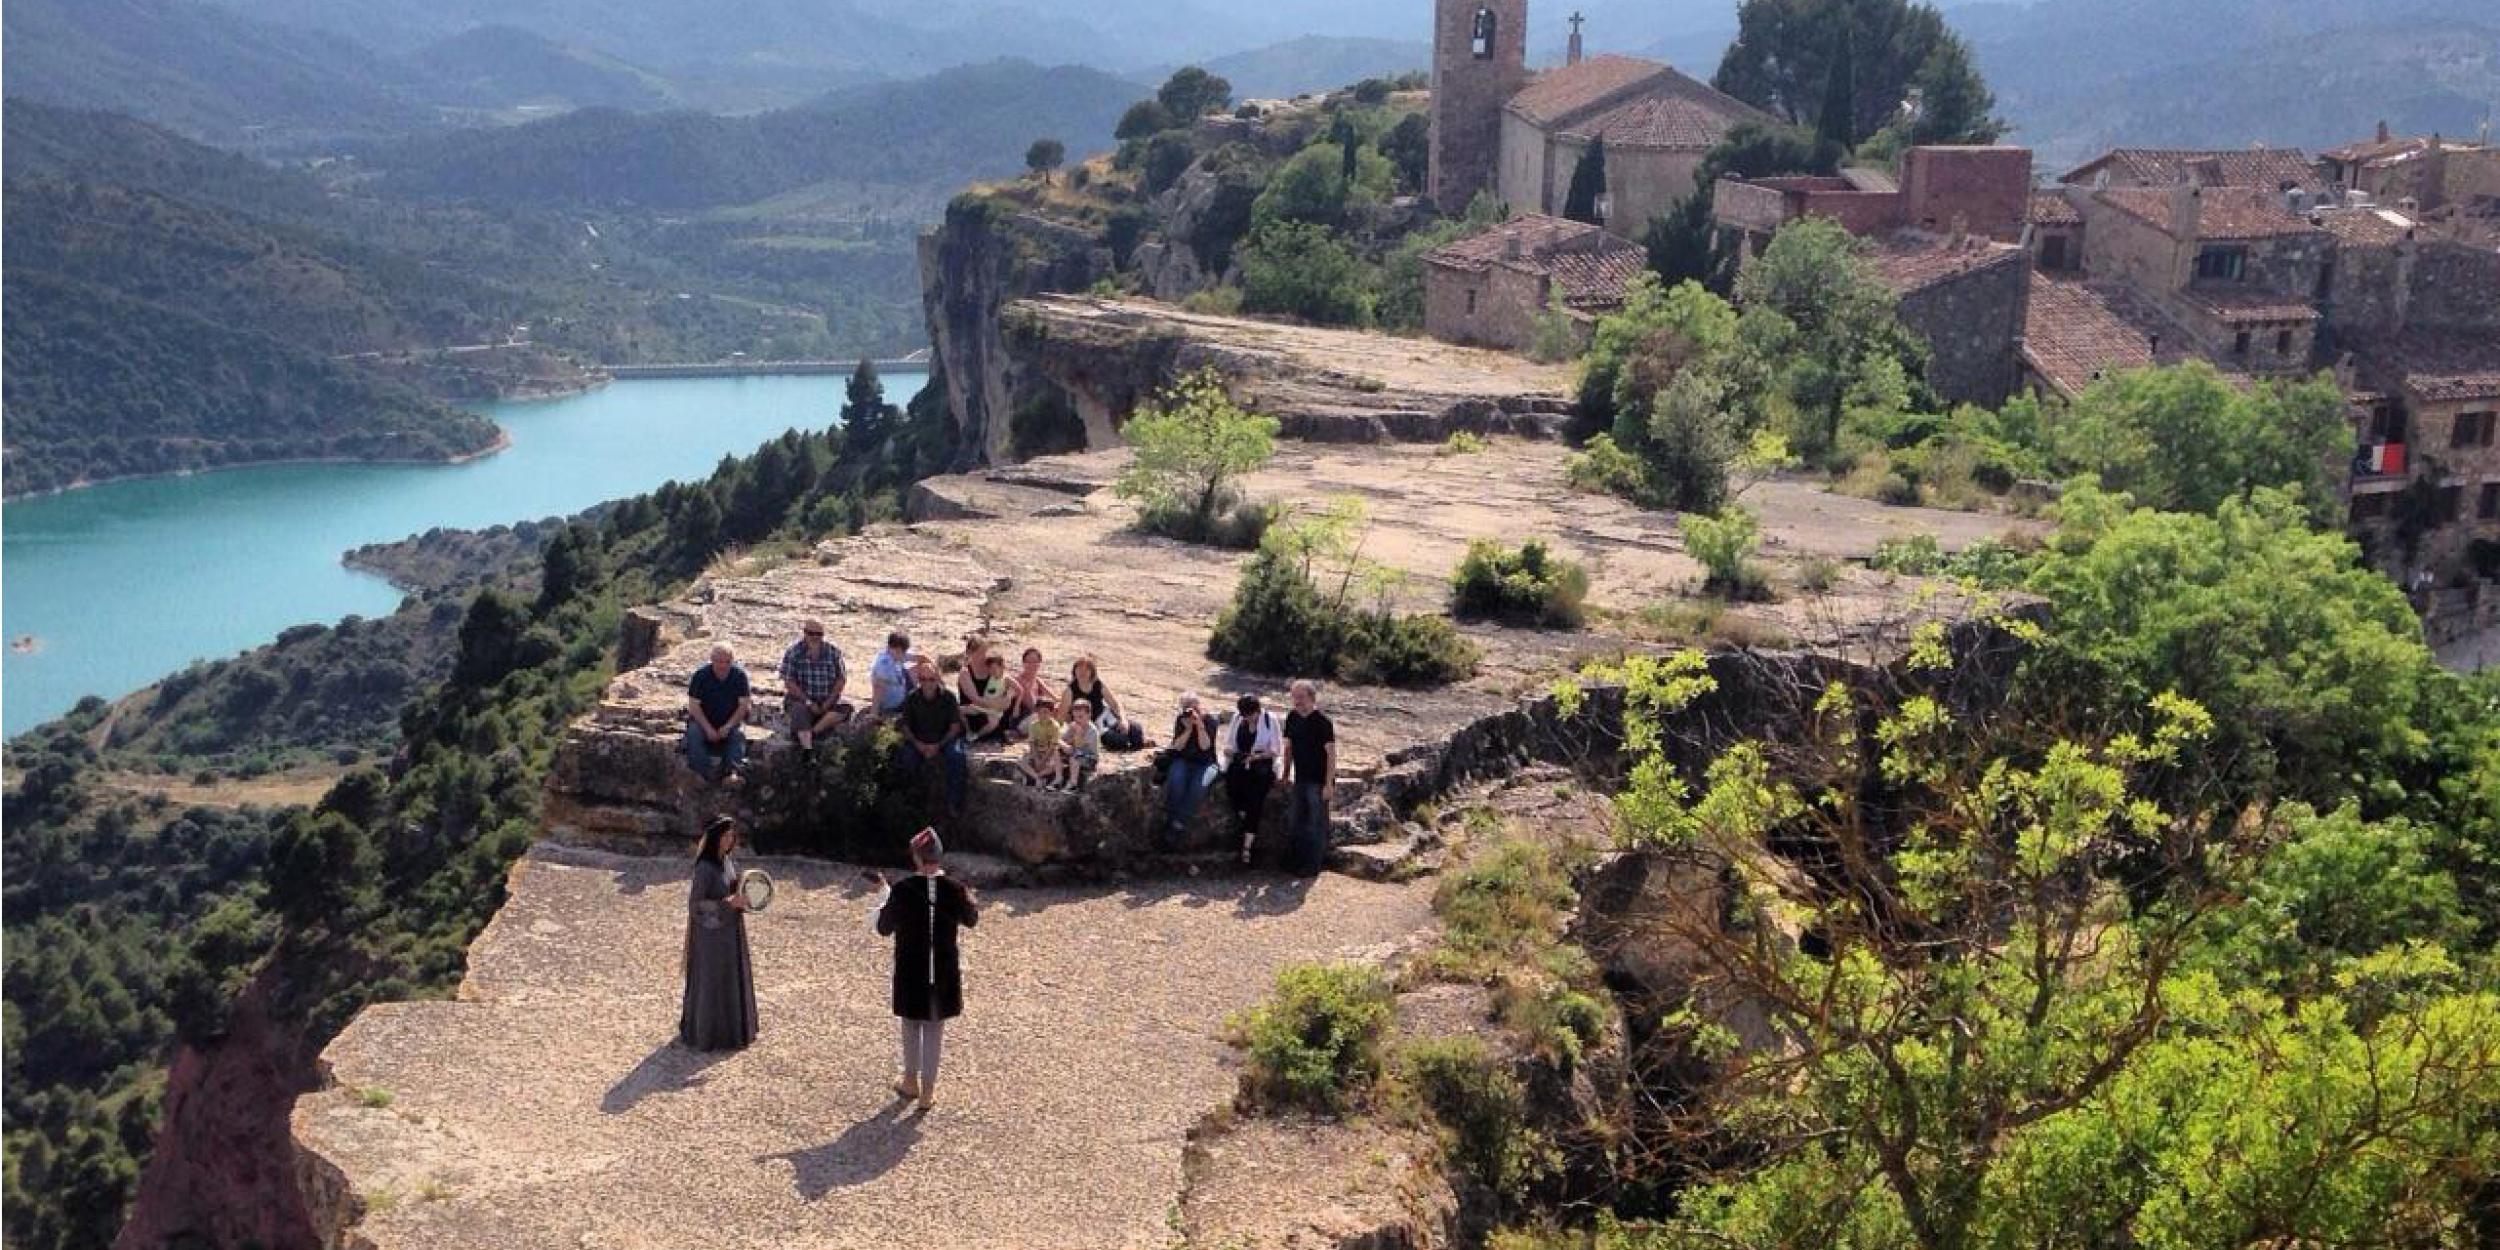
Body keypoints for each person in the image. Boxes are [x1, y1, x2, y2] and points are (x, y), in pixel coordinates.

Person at [873, 828, 980, 1113]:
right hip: (943, 969)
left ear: (917, 858)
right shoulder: (955, 889)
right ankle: (928, 1091)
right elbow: (971, 919)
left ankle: (910, 1080)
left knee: (910, 1024)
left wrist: (884, 896)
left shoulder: (904, 889)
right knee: (935, 1029)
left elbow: (883, 928)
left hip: (911, 968)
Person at [680, 816, 759, 1052]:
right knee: (712, 984)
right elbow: (696, 905)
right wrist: (727, 904)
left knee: (729, 980)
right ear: (716, 837)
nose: (729, 840)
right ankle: (708, 1035)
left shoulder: (726, 862)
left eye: (732, 836)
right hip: (710, 939)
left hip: (729, 933)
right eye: (725, 836)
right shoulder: (704, 868)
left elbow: (732, 889)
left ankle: (732, 1032)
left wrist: (745, 895)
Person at [896, 659, 971, 819]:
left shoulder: (949, 698)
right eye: (923, 679)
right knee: (905, 758)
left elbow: (955, 728)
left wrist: (938, 745)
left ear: (937, 679)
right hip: (919, 741)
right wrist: (919, 745)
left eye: (931, 679)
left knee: (957, 756)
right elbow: (906, 727)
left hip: (944, 740)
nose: (927, 683)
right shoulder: (912, 698)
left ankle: (954, 803)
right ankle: (910, 802)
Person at [1278, 680, 1337, 878]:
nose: (1297, 702)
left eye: (1301, 697)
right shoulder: (1292, 718)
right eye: (1294, 698)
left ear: (1312, 698)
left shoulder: (1323, 722)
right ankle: (1294, 861)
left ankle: (1312, 865)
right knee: (1296, 821)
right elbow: (1288, 748)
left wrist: (1329, 784)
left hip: (1318, 780)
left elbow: (1331, 755)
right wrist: (1286, 774)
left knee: (1316, 824)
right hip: (1300, 778)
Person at [1219, 693, 1284, 865]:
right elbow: (1228, 746)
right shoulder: (1237, 719)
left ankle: (1247, 845)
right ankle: (1243, 818)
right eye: (1244, 716)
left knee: (1256, 800)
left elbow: (1276, 750)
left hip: (1261, 765)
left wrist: (1257, 757)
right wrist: (1238, 754)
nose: (1247, 719)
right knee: (1232, 787)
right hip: (1240, 764)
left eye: (1250, 715)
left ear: (1257, 711)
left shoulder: (1270, 720)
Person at [779, 620, 851, 752]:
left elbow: (841, 679)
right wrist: (808, 702)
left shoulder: (833, 652)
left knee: (845, 708)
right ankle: (807, 749)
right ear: (805, 634)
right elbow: (789, 682)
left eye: (819, 634)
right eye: (811, 634)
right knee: (798, 711)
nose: (815, 637)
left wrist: (827, 703)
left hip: (827, 699)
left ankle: (812, 733)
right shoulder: (794, 652)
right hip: (802, 699)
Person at [1160, 692, 1221, 847]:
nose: (1190, 711)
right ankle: (1170, 818)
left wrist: (1200, 727)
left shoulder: (1210, 721)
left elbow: (1205, 746)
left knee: (1198, 787)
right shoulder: (1181, 720)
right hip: (1184, 759)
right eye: (1186, 707)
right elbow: (1177, 746)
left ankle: (1178, 823)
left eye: (1193, 707)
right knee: (1176, 781)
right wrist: (1187, 730)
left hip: (1206, 763)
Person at [685, 646, 753, 785]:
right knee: (694, 734)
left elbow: (743, 705)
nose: (723, 665)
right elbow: (694, 706)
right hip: (704, 720)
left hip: (730, 721)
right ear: (712, 660)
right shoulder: (701, 675)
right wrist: (708, 728)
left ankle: (732, 773)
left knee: (738, 735)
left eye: (727, 662)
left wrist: (728, 726)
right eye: (719, 661)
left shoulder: (739, 676)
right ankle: (703, 773)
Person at [1065, 656, 1148, 751]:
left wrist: (1123, 720)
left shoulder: (1098, 684)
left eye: (1086, 669)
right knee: (1118, 740)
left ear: (1092, 672)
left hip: (1106, 716)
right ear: (1074, 671)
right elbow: (1064, 715)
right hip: (1093, 725)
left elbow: (1115, 704)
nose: (1082, 672)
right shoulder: (1070, 690)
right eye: (1079, 669)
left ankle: (1139, 743)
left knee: (1136, 730)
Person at [961, 654, 1017, 742]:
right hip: (983, 705)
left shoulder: (1006, 679)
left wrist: (1010, 697)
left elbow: (1019, 689)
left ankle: (976, 736)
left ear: (1002, 667)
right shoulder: (990, 677)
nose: (992, 671)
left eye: (995, 668)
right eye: (990, 668)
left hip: (995, 709)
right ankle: (968, 731)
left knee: (993, 724)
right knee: (960, 710)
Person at [1018, 708, 1073, 790]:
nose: (1043, 715)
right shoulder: (1033, 725)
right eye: (1040, 713)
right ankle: (1037, 777)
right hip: (1037, 752)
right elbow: (1032, 744)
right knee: (1021, 761)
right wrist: (1036, 759)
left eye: (1046, 712)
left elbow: (1053, 747)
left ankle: (1036, 777)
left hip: (1049, 754)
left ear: (1051, 713)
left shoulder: (1055, 726)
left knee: (1057, 764)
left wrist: (1042, 761)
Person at [1006, 647, 1058, 728]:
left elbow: (1055, 698)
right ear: (1023, 663)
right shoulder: (1018, 681)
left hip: (1037, 716)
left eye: (1035, 661)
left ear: (1039, 663)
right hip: (1022, 721)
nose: (1031, 664)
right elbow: (1032, 707)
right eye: (1028, 661)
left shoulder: (1037, 680)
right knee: (1044, 716)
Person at [869, 632, 917, 721]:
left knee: (921, 668)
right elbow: (878, 688)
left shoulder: (896, 655)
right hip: (894, 703)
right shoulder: (884, 664)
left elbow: (922, 658)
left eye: (902, 652)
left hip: (901, 687)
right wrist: (874, 713)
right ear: (890, 647)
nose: (901, 654)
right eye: (898, 651)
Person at [1064, 699, 1102, 790]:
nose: (1077, 720)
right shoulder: (1073, 725)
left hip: (1090, 758)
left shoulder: (1092, 730)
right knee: (1056, 751)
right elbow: (1061, 739)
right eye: (1075, 717)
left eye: (1080, 717)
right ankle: (1058, 778)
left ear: (1089, 715)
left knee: (1075, 757)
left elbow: (1080, 746)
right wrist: (1065, 745)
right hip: (1075, 751)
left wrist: (1077, 734)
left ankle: (1073, 783)